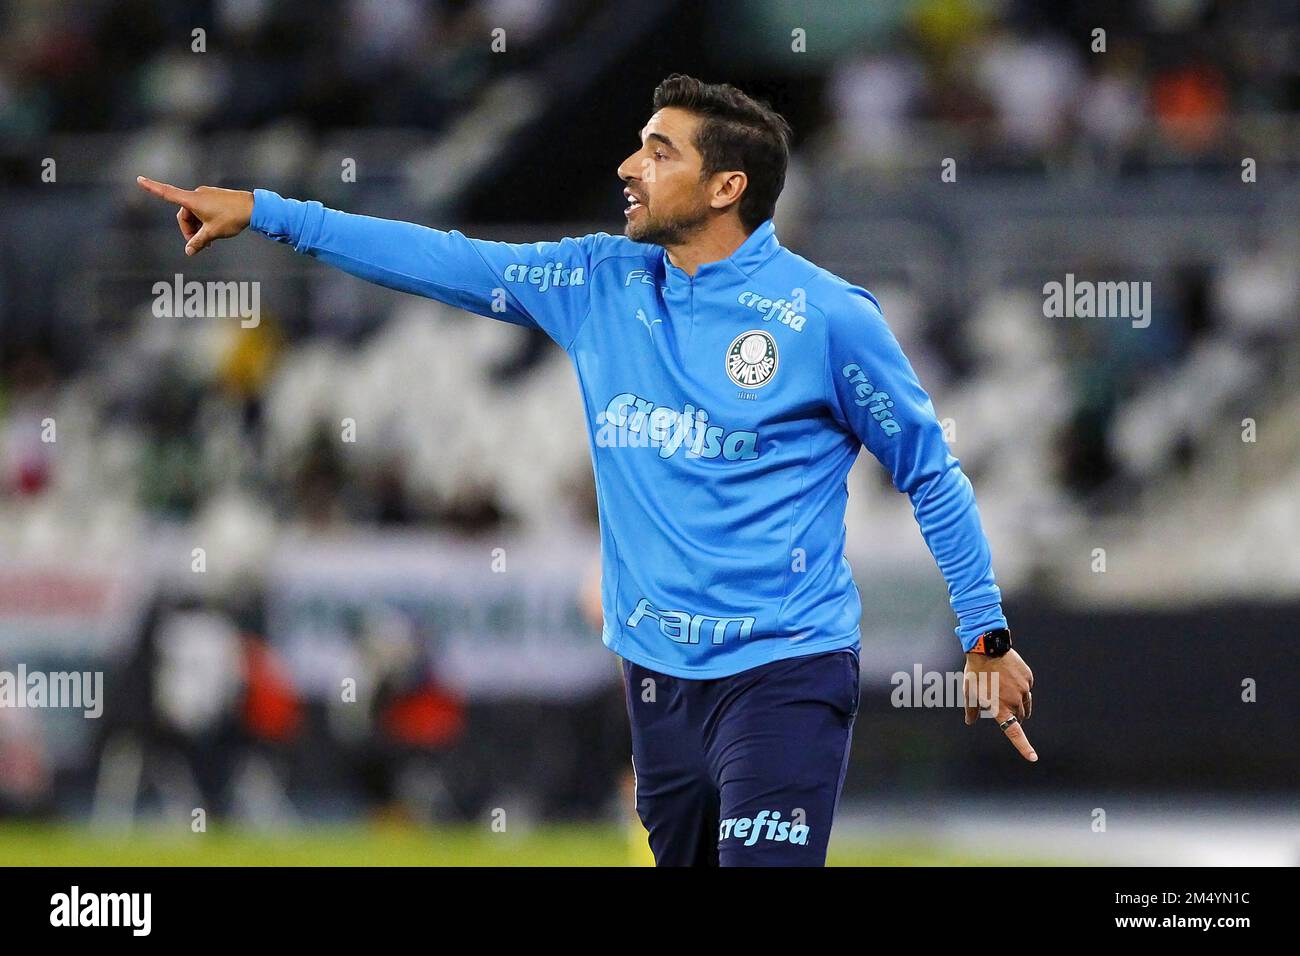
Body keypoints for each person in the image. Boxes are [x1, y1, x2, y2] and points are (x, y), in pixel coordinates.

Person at [136, 73, 1035, 866]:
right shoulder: (596, 282)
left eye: (657, 151)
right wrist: (269, 213)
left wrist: (985, 636)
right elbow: (442, 259)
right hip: (657, 683)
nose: (627, 167)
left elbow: (931, 473)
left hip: (786, 672)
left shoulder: (827, 318)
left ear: (727, 186)